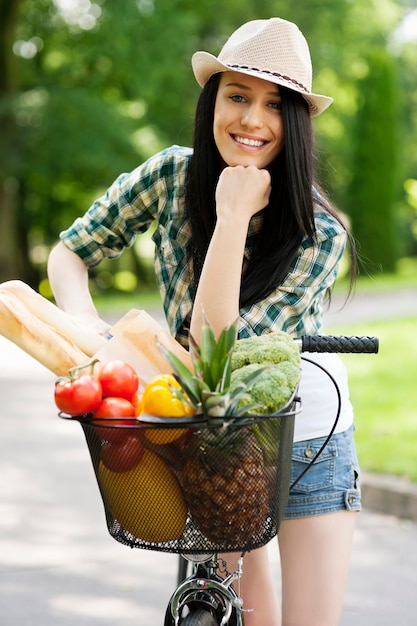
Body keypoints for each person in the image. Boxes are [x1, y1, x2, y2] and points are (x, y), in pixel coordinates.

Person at [48, 17, 361, 626]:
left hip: (307, 435)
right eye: (237, 96)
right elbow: (71, 251)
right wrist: (86, 328)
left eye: (274, 104)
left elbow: (215, 346)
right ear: (211, 100)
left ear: (295, 121)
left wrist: (234, 213)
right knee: (242, 616)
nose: (251, 120)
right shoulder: (170, 175)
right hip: (211, 435)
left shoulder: (320, 232)